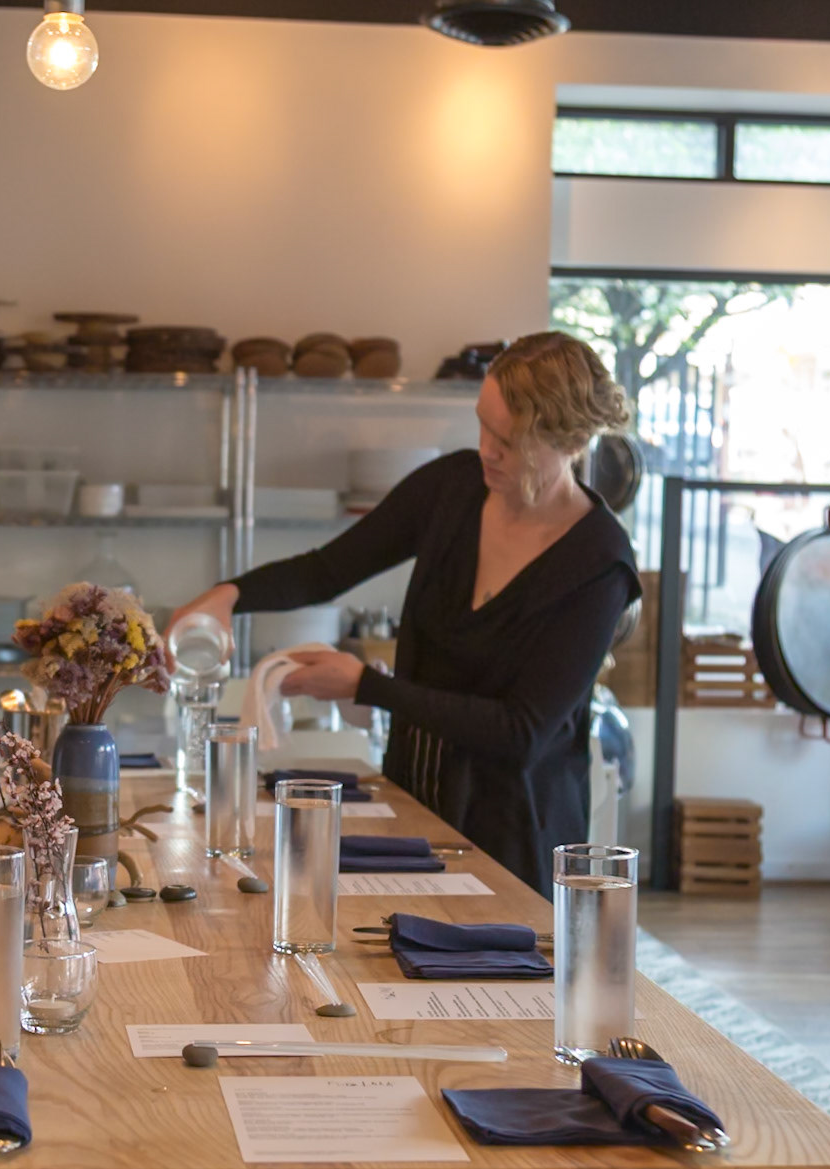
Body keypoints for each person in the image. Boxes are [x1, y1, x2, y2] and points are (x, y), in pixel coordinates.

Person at [169, 331, 639, 895]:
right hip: (414, 807)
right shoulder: (451, 489)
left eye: (509, 439)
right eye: (483, 425)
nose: (486, 449)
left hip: (513, 835)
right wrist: (230, 595)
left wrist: (368, 685)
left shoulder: (598, 562)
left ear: (569, 439)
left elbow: (522, 732)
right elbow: (327, 570)